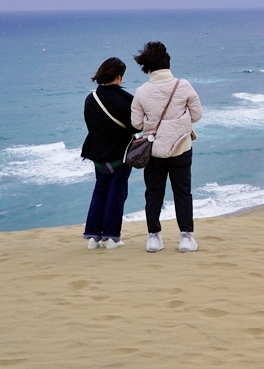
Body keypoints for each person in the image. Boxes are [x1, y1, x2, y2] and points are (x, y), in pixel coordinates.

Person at [131, 41, 203, 254]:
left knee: (153, 193)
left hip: (154, 150)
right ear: (168, 63)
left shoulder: (141, 91)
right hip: (182, 146)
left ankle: (153, 238)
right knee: (183, 192)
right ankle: (186, 238)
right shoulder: (184, 85)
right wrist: (178, 122)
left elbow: (136, 123)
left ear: (147, 68)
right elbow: (197, 115)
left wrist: (154, 124)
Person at [81, 57, 140, 250]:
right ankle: (112, 237)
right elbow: (134, 125)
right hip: (120, 154)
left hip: (98, 153)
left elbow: (91, 125)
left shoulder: (91, 99)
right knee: (117, 193)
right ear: (118, 76)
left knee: (100, 191)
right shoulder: (125, 99)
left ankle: (93, 237)